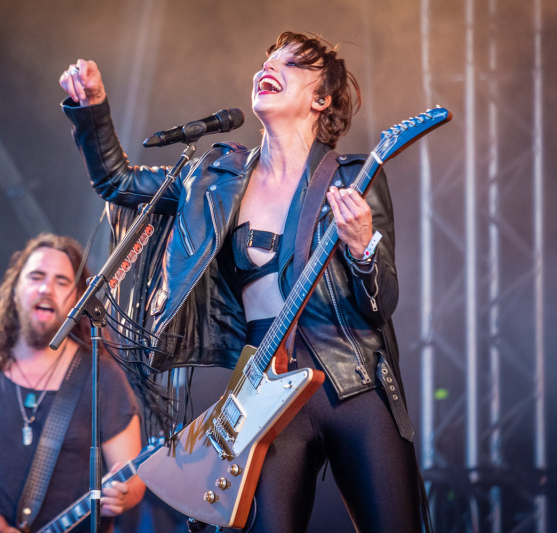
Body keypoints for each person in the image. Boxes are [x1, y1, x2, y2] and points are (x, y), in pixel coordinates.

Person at [59, 31, 430, 532]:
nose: (269, 68)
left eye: (293, 64)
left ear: (321, 100)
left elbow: (382, 301)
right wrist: (94, 111)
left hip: (353, 381)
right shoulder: (214, 179)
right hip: (260, 390)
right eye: (267, 60)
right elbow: (118, 184)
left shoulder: (353, 177)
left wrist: (363, 245)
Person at [0, 233, 146, 533]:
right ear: (15, 290)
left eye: (62, 282)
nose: (47, 289)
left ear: (77, 298)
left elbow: (131, 475)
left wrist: (124, 494)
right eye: (36, 277)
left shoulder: (102, 375)